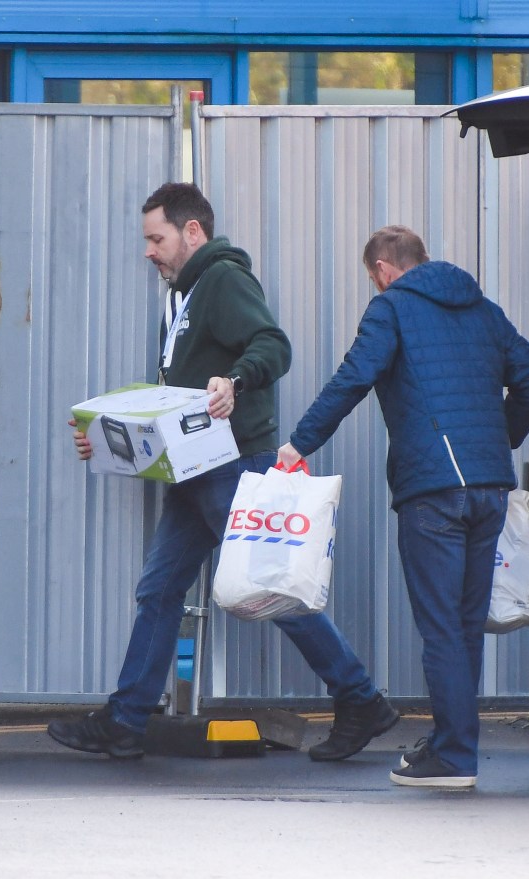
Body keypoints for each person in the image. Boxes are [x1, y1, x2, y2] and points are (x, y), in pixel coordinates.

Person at [48, 183, 397, 761]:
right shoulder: (179, 295)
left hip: (231, 462)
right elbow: (170, 398)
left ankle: (360, 697)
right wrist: (108, 440)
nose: (148, 251)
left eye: (156, 238)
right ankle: (126, 720)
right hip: (194, 468)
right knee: (159, 590)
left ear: (192, 232)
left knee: (268, 587)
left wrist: (235, 382)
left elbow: (272, 345)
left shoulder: (224, 281)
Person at [277, 225, 529, 787]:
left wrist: (298, 444)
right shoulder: (485, 310)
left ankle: (453, 757)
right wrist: (499, 442)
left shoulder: (392, 308)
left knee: (442, 628)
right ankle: (454, 741)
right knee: (466, 626)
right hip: (490, 489)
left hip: (433, 491)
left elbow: (353, 378)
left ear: (382, 268)